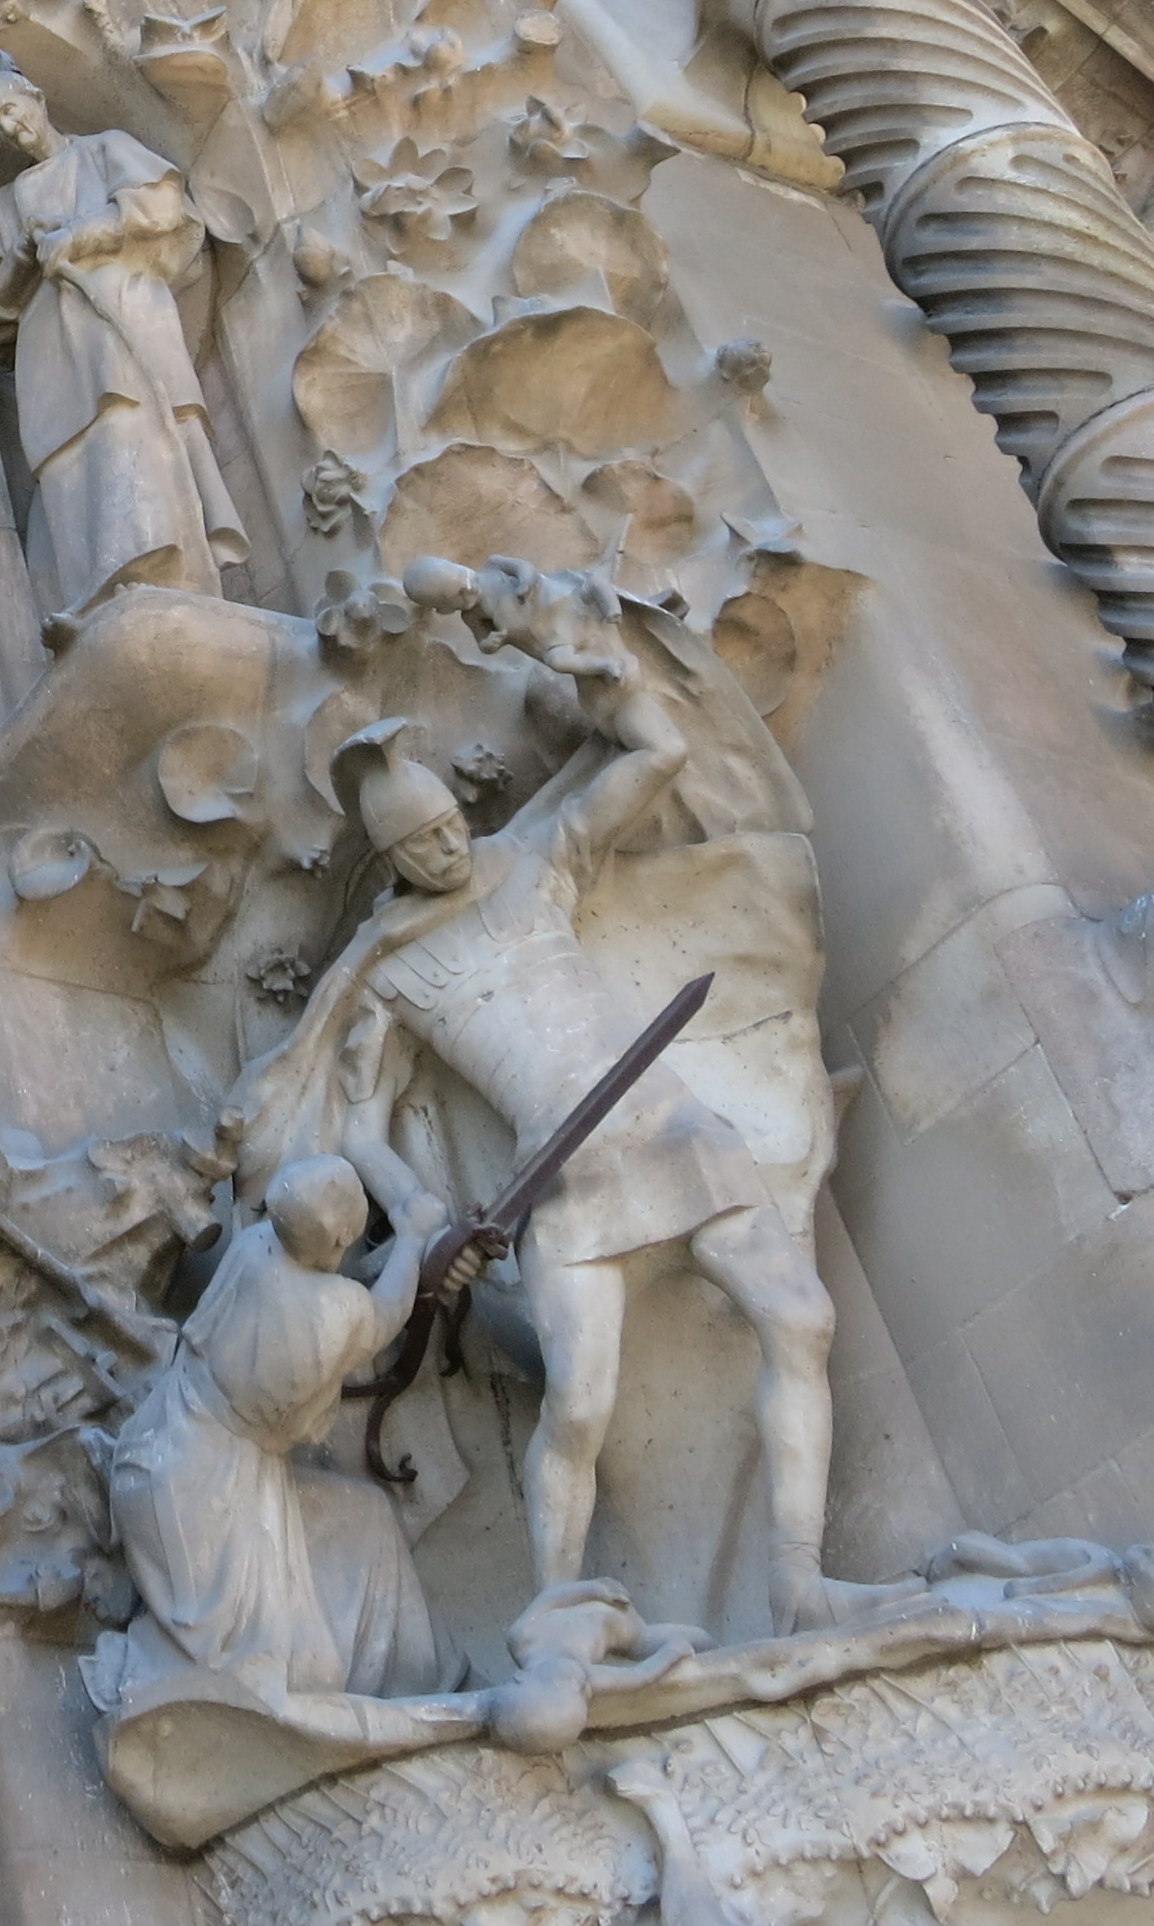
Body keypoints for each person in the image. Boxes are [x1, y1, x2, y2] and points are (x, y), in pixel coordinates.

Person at [245, 568, 857, 1628]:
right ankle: (552, 1612)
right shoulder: (383, 970)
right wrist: (425, 1219)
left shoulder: (531, 863)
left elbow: (657, 754)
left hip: (670, 1127)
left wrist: (569, 651)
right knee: (577, 1406)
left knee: (800, 1320)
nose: (450, 845)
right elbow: (357, 1126)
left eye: (451, 823)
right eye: (425, 842)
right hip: (564, 1182)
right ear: (391, 860)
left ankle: (798, 1579)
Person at [94, 1154, 450, 1715]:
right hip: (212, 1501)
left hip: (159, 1449)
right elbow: (386, 1313)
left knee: (368, 1516)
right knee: (303, 1673)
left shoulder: (254, 1247)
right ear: (341, 1239)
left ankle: (421, 1683)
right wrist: (412, 1236)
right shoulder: (337, 1311)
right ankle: (412, 1692)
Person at [0, 55, 248, 626]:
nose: (11, 128)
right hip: (50, 347)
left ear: (36, 97)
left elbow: (163, 208)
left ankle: (155, 564)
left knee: (126, 417)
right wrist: (21, 258)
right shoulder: (1, 207)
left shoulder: (104, 150)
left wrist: (83, 235)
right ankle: (88, 586)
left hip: (120, 311)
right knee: (67, 452)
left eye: (12, 111)